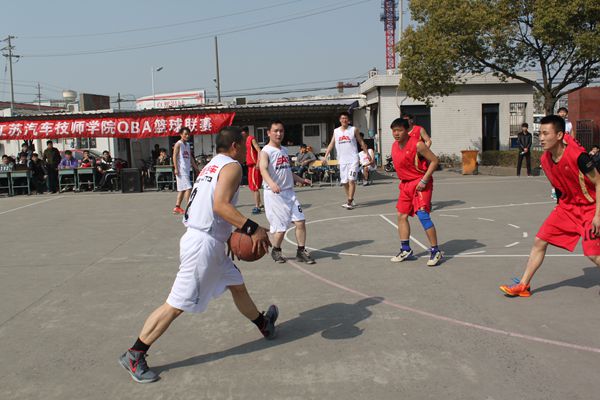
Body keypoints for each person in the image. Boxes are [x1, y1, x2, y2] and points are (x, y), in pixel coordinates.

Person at [118, 126, 277, 384]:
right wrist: (253, 228)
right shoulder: (233, 167)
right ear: (236, 146)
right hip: (202, 246)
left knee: (237, 285)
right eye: (244, 143)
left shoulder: (210, 166)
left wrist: (226, 236)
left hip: (208, 240)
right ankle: (135, 353)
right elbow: (220, 206)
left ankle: (263, 324)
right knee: (176, 304)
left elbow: (207, 206)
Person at [500, 115, 600, 297]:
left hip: (590, 208)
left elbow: (599, 183)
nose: (542, 138)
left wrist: (598, 216)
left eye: (546, 133)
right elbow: (559, 186)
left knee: (593, 254)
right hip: (567, 208)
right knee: (539, 240)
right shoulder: (545, 160)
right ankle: (523, 285)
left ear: (560, 135)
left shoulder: (579, 157)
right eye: (540, 133)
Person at [259, 120, 316, 264]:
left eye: (281, 131)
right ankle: (276, 250)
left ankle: (301, 251)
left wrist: (301, 179)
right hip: (274, 195)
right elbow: (263, 169)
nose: (279, 133)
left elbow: (288, 171)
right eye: (275, 131)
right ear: (269, 133)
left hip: (289, 193)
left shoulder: (284, 150)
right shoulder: (266, 151)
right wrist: (271, 183)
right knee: (281, 229)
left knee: (300, 221)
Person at [390, 118, 442, 267]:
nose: (396, 133)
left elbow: (434, 161)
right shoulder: (394, 146)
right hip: (405, 184)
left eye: (399, 130)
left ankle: (435, 250)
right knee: (401, 215)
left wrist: (424, 180)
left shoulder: (418, 144)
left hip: (420, 183)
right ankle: (405, 249)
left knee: (423, 215)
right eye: (394, 130)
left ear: (407, 130)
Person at [324, 112, 371, 210]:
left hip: (353, 159)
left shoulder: (353, 129)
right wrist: (325, 156)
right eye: (342, 118)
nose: (344, 120)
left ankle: (349, 202)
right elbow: (331, 144)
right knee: (344, 182)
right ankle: (351, 198)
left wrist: (367, 154)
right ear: (340, 120)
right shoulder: (336, 131)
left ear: (348, 120)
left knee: (351, 180)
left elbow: (361, 141)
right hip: (342, 160)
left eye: (346, 118)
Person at [172, 127, 200, 215]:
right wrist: (176, 168)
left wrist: (196, 168)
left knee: (182, 190)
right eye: (185, 134)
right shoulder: (178, 144)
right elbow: (174, 156)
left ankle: (177, 207)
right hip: (181, 170)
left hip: (187, 169)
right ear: (181, 135)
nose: (187, 136)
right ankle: (189, 207)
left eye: (188, 134)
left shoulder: (187, 145)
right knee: (188, 188)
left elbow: (190, 157)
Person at [242, 126, 263, 214]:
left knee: (255, 187)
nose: (241, 134)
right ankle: (259, 203)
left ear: (246, 132)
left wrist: (258, 162)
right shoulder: (245, 141)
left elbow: (259, 150)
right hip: (250, 166)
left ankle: (257, 206)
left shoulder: (251, 139)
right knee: (251, 187)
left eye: (242, 132)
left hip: (254, 165)